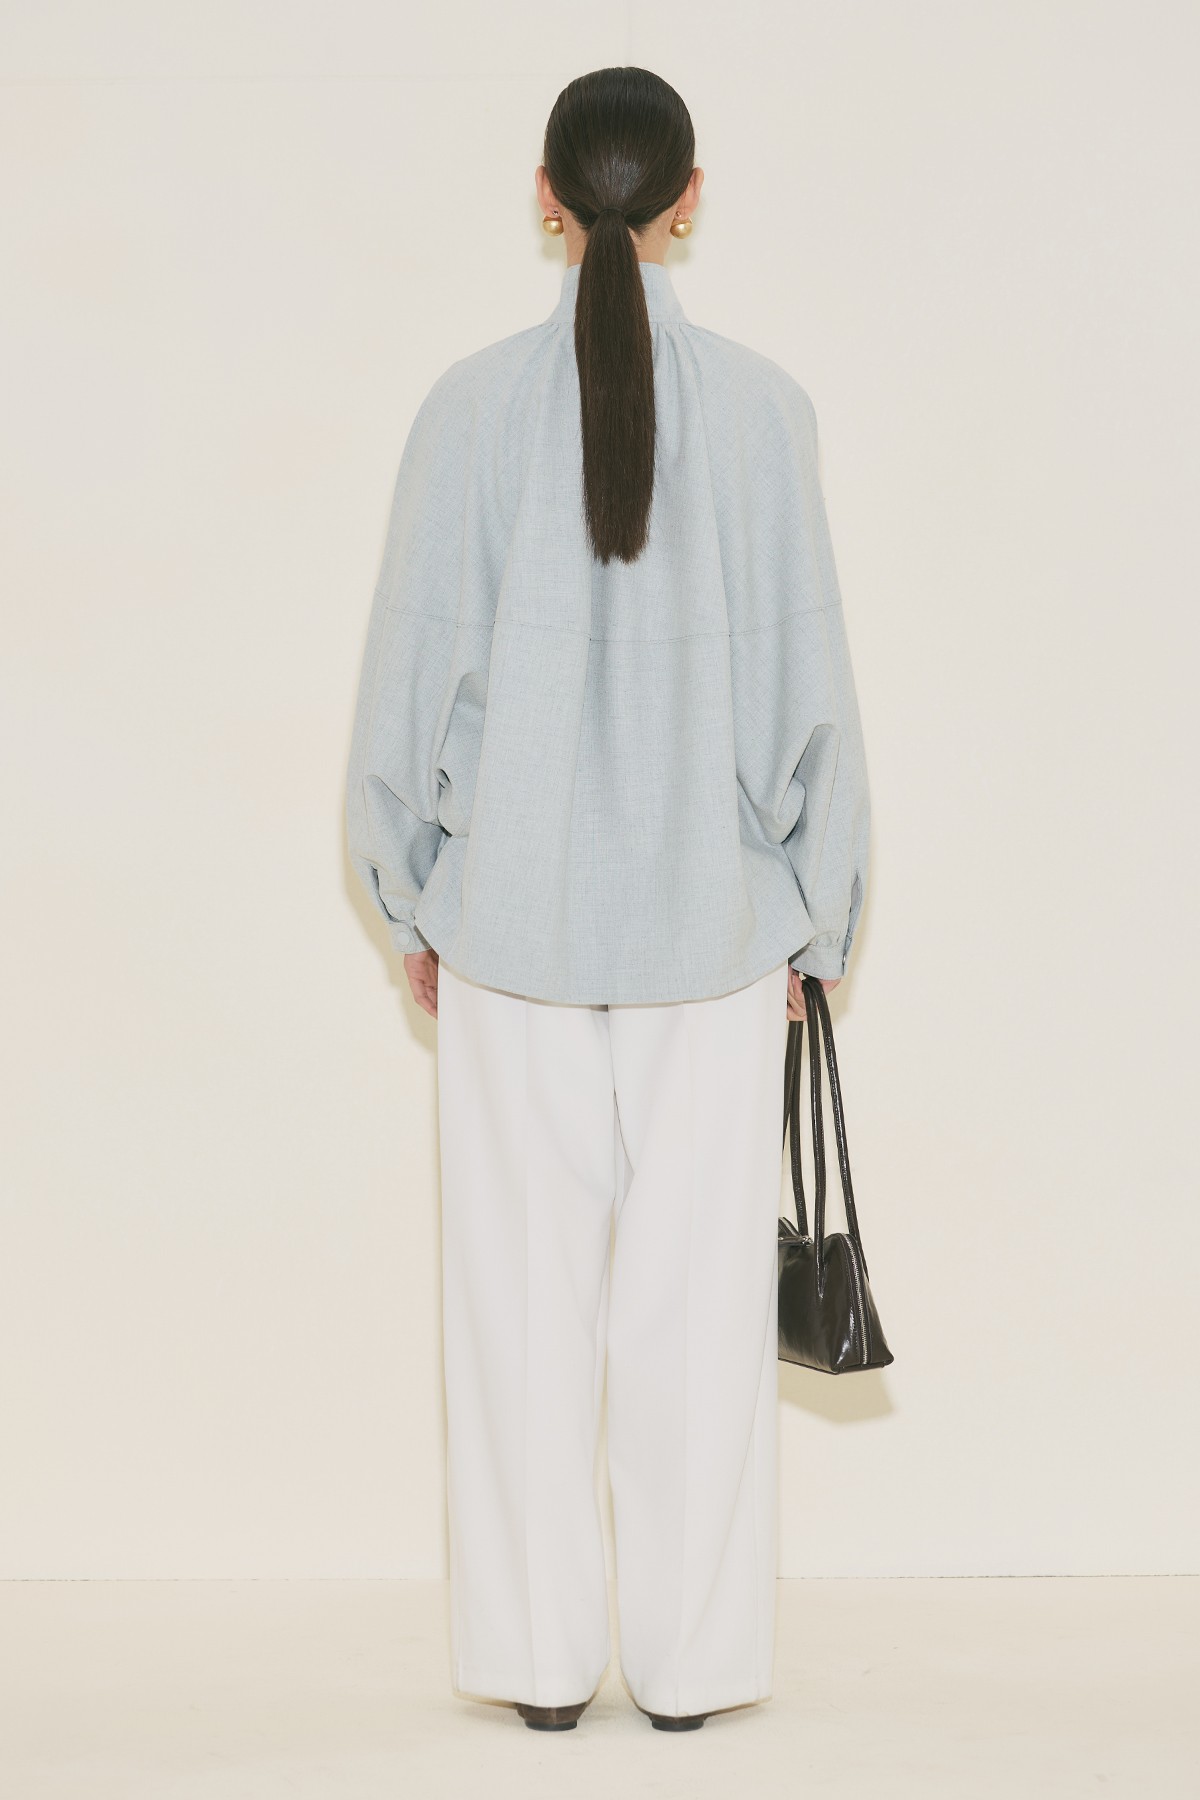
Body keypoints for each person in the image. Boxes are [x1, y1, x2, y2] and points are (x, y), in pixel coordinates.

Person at [345, 66, 871, 1733]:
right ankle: (695, 1673)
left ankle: (535, 1671)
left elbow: (408, 690)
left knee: (517, 1310)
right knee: (696, 1318)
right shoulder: (769, 413)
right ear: (691, 200)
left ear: (547, 199)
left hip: (511, 938)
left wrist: (414, 898)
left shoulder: (466, 413)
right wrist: (818, 917)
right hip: (713, 942)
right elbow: (808, 698)